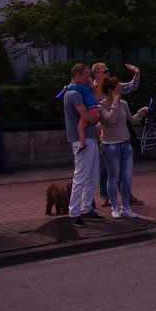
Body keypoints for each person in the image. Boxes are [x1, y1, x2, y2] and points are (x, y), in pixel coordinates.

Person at [98, 77, 148, 219]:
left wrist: (141, 113)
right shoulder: (101, 106)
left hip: (125, 143)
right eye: (118, 89)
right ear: (110, 91)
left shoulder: (123, 104)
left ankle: (125, 206)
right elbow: (110, 119)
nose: (121, 92)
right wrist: (114, 103)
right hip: (110, 144)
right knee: (113, 177)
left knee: (126, 177)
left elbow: (130, 120)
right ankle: (114, 207)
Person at [63, 64, 104, 227]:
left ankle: (86, 208)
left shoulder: (78, 91)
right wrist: (96, 119)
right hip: (82, 139)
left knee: (92, 175)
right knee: (80, 176)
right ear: (78, 75)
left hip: (90, 137)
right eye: (86, 76)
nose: (89, 80)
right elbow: (86, 115)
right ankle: (74, 211)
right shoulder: (74, 94)